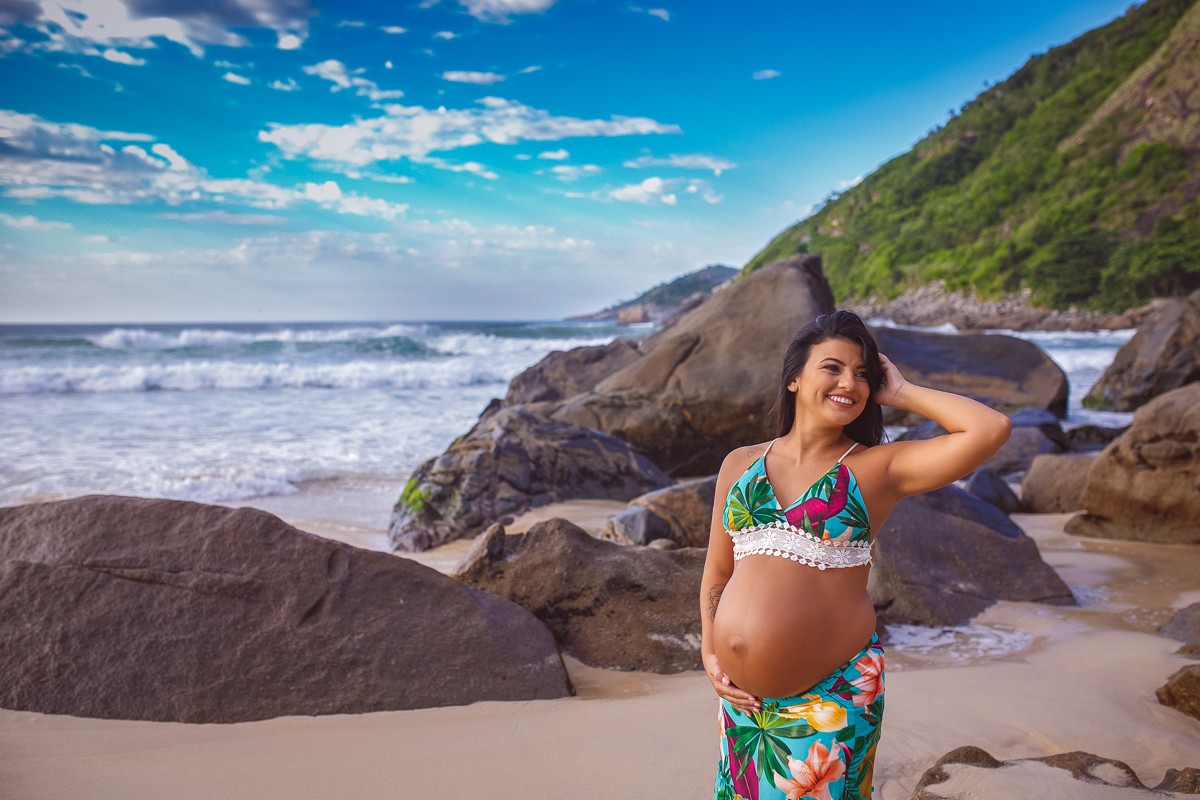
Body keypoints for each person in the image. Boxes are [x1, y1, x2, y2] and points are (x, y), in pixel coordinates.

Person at [702, 310, 1012, 800]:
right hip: (744, 709)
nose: (850, 382)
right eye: (833, 367)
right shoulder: (739, 463)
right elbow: (718, 569)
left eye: (862, 373)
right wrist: (709, 649)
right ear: (794, 379)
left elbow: (989, 428)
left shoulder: (876, 468)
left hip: (831, 702)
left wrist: (903, 391)